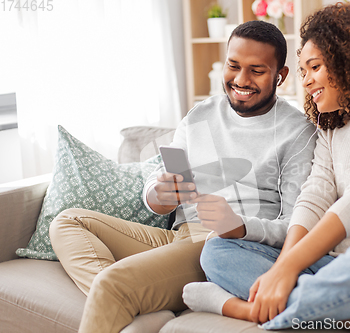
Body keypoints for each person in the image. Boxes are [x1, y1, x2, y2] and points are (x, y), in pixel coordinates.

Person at [182, 3, 350, 333]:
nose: (306, 81)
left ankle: (245, 311)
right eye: (303, 70)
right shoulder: (331, 127)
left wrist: (287, 270)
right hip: (332, 267)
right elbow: (313, 200)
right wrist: (284, 266)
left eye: (315, 67)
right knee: (218, 250)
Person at [49, 20, 318, 333]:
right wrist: (157, 195)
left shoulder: (296, 132)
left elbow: (297, 226)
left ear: (280, 76)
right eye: (233, 65)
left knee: (114, 282)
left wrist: (239, 226)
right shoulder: (200, 114)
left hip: (223, 245)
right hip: (177, 236)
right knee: (68, 222)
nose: (241, 79)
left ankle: (127, 295)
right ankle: (141, 305)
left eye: (256, 70)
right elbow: (165, 178)